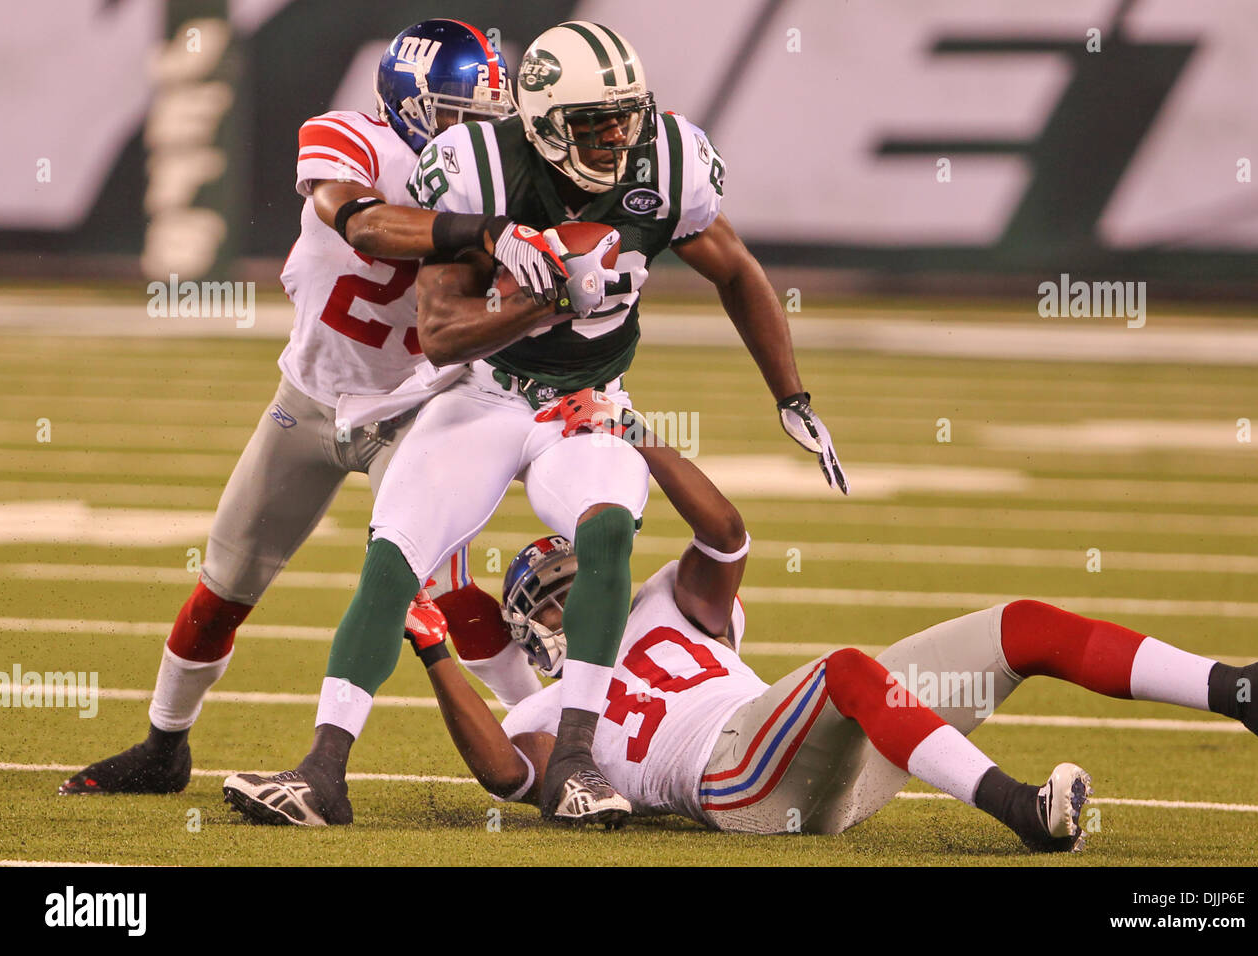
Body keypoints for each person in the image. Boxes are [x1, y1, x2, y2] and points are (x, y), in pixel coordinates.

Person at [222, 20, 850, 827]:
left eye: (625, 115)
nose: (617, 136)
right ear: (548, 122)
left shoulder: (671, 157)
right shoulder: (479, 166)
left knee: (607, 531)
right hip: (483, 390)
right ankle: (321, 772)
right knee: (394, 554)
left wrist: (790, 394)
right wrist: (544, 296)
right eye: (595, 121)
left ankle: (580, 764)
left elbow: (733, 266)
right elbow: (443, 331)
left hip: (588, 398)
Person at [401, 388, 1258, 847]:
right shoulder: (546, 718)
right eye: (551, 596)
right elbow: (502, 776)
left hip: (825, 759)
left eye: (574, 577)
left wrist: (636, 438)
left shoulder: (665, 602)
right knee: (845, 668)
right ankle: (1021, 810)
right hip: (737, 786)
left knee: (1021, 625)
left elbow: (726, 535)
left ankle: (1249, 690)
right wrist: (439, 652)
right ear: (532, 632)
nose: (574, 596)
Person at [60, 19, 568, 796]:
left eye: (486, 117)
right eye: (458, 114)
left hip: (418, 410)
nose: (476, 135)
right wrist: (490, 231)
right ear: (407, 102)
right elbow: (360, 219)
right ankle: (164, 747)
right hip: (309, 398)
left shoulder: (492, 173)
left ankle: (556, 743)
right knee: (222, 587)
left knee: (444, 592)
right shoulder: (347, 137)